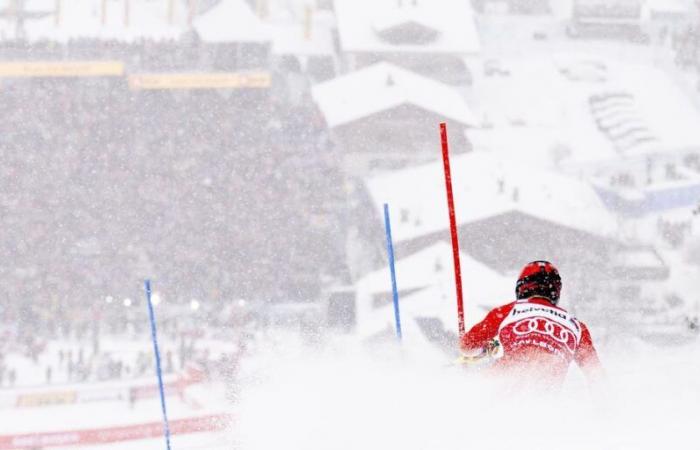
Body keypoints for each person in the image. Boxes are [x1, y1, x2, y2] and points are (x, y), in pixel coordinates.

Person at [460, 260, 603, 389]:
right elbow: (595, 374)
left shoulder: (509, 310)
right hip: (542, 400)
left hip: (497, 386)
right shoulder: (576, 327)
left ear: (522, 287)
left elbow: (467, 345)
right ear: (556, 291)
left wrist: (486, 348)